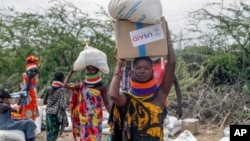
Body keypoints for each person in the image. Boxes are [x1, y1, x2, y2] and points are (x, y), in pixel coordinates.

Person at [108, 21, 175, 141]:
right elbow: (113, 95)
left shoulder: (160, 95)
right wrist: (118, 65)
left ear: (152, 70)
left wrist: (168, 39)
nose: (142, 71)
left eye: (146, 68)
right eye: (138, 68)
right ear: (133, 72)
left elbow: (172, 64)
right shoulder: (128, 99)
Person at [64, 65, 111, 141]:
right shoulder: (82, 85)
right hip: (84, 118)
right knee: (85, 137)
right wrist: (71, 72)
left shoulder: (101, 87)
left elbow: (107, 103)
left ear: (97, 70)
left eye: (92, 69)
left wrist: (112, 115)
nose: (90, 71)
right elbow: (65, 85)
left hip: (96, 118)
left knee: (95, 138)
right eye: (88, 69)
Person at [43, 72, 70, 141]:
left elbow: (44, 102)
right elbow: (64, 105)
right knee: (54, 133)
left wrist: (51, 103)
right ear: (62, 79)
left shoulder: (49, 88)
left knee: (49, 132)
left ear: (54, 78)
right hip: (56, 115)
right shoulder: (63, 90)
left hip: (49, 113)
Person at [19, 55, 39, 120]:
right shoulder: (33, 69)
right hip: (30, 92)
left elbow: (29, 83)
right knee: (28, 109)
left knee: (28, 110)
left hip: (29, 93)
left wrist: (25, 93)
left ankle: (28, 123)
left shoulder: (31, 70)